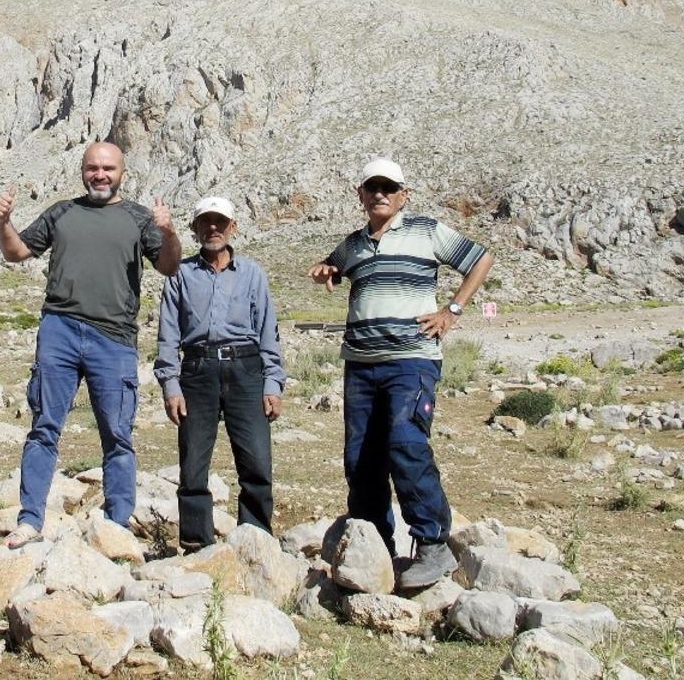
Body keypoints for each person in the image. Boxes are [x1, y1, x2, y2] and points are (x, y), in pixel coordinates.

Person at [309, 157, 494, 589]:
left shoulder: (425, 230)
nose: (380, 194)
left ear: (403, 195)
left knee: (406, 444)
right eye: (372, 187)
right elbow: (332, 267)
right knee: (361, 458)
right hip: (361, 364)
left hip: (411, 360)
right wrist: (327, 271)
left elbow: (481, 259)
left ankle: (432, 545)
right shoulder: (353, 244)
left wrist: (452, 309)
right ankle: (375, 547)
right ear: (360, 195)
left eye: (388, 188)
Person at [0, 141, 181, 547]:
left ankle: (116, 524)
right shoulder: (62, 212)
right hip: (59, 329)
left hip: (114, 339)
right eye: (93, 167)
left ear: (122, 174)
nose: (100, 175)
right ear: (82, 170)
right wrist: (4, 221)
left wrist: (167, 231)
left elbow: (168, 266)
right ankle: (30, 519)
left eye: (108, 168)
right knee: (44, 427)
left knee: (117, 434)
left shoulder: (139, 218)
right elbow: (16, 252)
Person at [155, 196, 286, 550]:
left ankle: (255, 538)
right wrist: (170, 385)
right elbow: (168, 334)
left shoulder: (252, 274)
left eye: (220, 222)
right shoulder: (179, 274)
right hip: (196, 370)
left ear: (233, 227)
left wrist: (273, 383)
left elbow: (268, 330)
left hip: (247, 368)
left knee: (256, 458)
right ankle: (197, 542)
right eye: (205, 222)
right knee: (193, 461)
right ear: (195, 229)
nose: (213, 228)